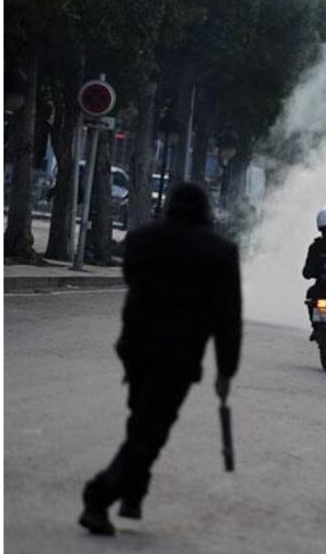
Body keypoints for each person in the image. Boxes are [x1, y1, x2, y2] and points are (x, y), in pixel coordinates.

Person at [79, 182, 242, 536]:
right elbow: (228, 318)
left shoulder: (142, 238)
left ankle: (133, 495)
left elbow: (131, 276)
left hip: (135, 347)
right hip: (178, 355)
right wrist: (226, 369)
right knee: (150, 430)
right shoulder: (220, 251)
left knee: (142, 420)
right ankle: (98, 496)